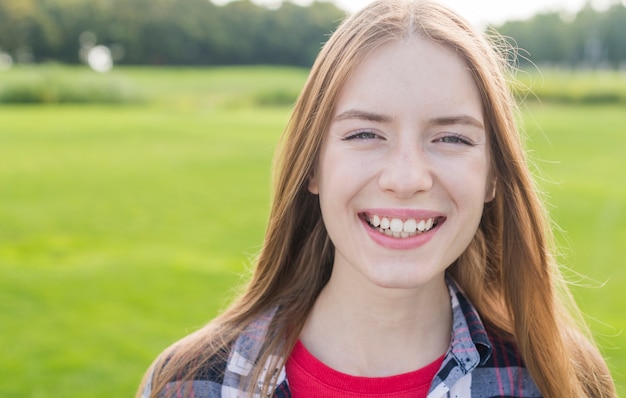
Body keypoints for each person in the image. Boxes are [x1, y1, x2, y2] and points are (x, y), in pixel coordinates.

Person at [137, 0, 616, 397]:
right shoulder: (188, 382)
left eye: (451, 138)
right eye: (366, 133)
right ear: (313, 165)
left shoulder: (562, 380)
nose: (406, 178)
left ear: (493, 175)